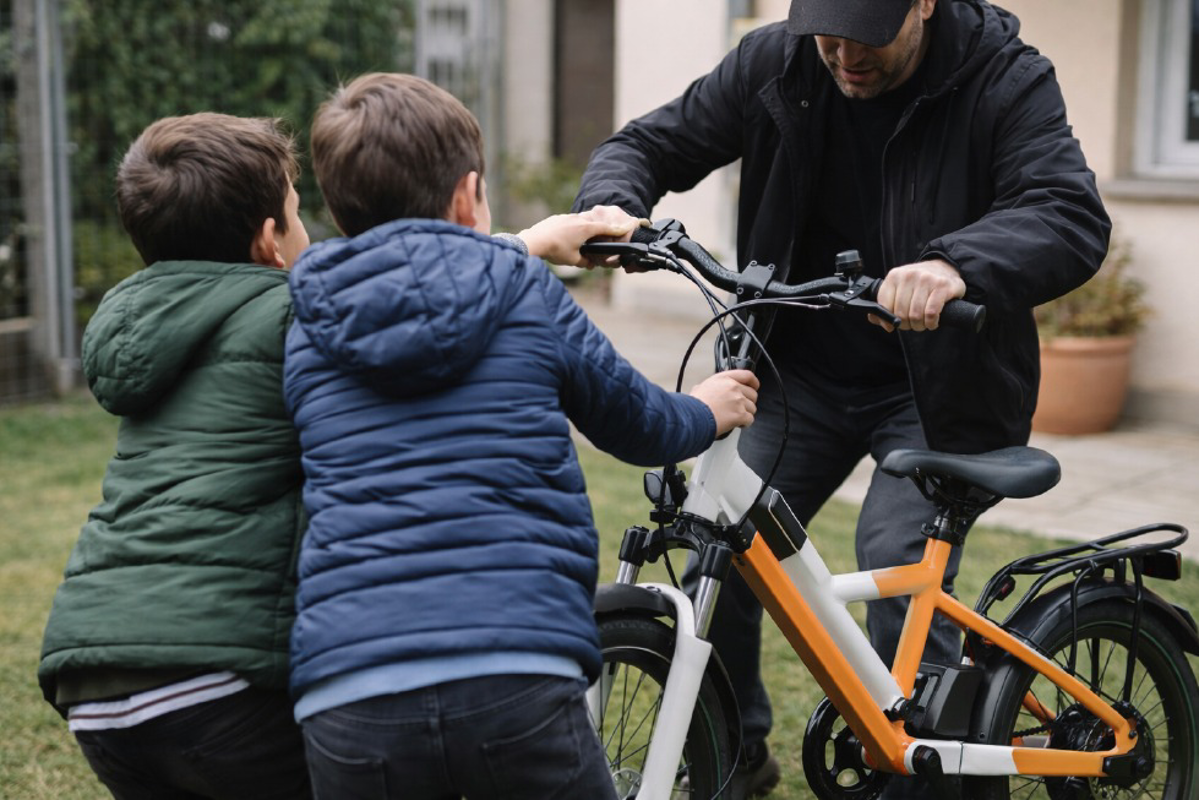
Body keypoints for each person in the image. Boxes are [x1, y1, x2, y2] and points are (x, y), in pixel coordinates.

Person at [572, 1, 1111, 797]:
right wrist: (614, 204)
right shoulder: (775, 62)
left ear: (922, 4)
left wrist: (956, 264)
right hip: (795, 372)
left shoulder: (1001, 76)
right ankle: (734, 753)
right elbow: (649, 143)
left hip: (937, 387)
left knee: (893, 560)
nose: (843, 54)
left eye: (866, 34)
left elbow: (1066, 213)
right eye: (827, 32)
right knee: (722, 549)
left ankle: (930, 779)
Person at [283, 71, 760, 800]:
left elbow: (415, 279)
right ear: (468, 195)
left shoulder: (308, 322)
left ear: (337, 204)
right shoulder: (523, 290)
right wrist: (705, 409)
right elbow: (639, 425)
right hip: (514, 668)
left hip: (350, 691)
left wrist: (527, 243)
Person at [37, 113, 315, 799]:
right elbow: (406, 294)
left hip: (95, 682)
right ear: (270, 241)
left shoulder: (138, 325)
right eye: (297, 213)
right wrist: (522, 246)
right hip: (216, 679)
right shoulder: (293, 311)